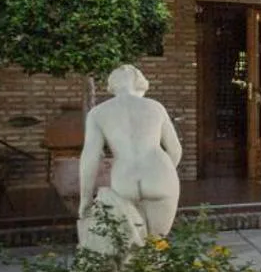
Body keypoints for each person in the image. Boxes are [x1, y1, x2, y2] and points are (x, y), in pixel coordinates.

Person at [77, 64, 182, 252]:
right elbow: (175, 150)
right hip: (159, 175)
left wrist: (85, 198)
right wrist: (165, 175)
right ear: (139, 83)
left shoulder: (98, 113)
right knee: (156, 247)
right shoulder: (155, 107)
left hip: (124, 179)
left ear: (112, 85)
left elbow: (89, 159)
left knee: (129, 250)